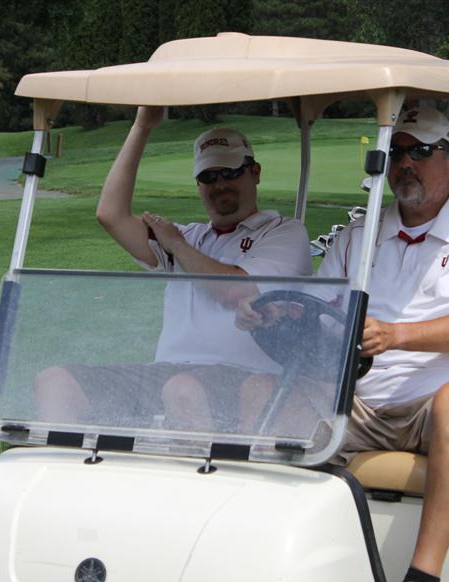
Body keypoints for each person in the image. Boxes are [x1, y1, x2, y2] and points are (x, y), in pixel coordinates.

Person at [239, 107, 449, 582]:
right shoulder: (360, 234)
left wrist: (396, 335)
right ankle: (268, 559)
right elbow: (319, 311)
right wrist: (273, 315)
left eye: (421, 151)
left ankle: (421, 581)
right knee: (258, 389)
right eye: (396, 153)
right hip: (362, 402)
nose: (405, 163)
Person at [34, 106, 312, 429]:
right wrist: (142, 126)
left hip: (243, 376)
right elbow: (111, 215)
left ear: (255, 172)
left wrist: (177, 245)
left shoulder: (283, 233)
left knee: (183, 390)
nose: (219, 185)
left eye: (230, 173)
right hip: (166, 371)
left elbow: (233, 291)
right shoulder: (190, 236)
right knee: (54, 382)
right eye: (208, 177)